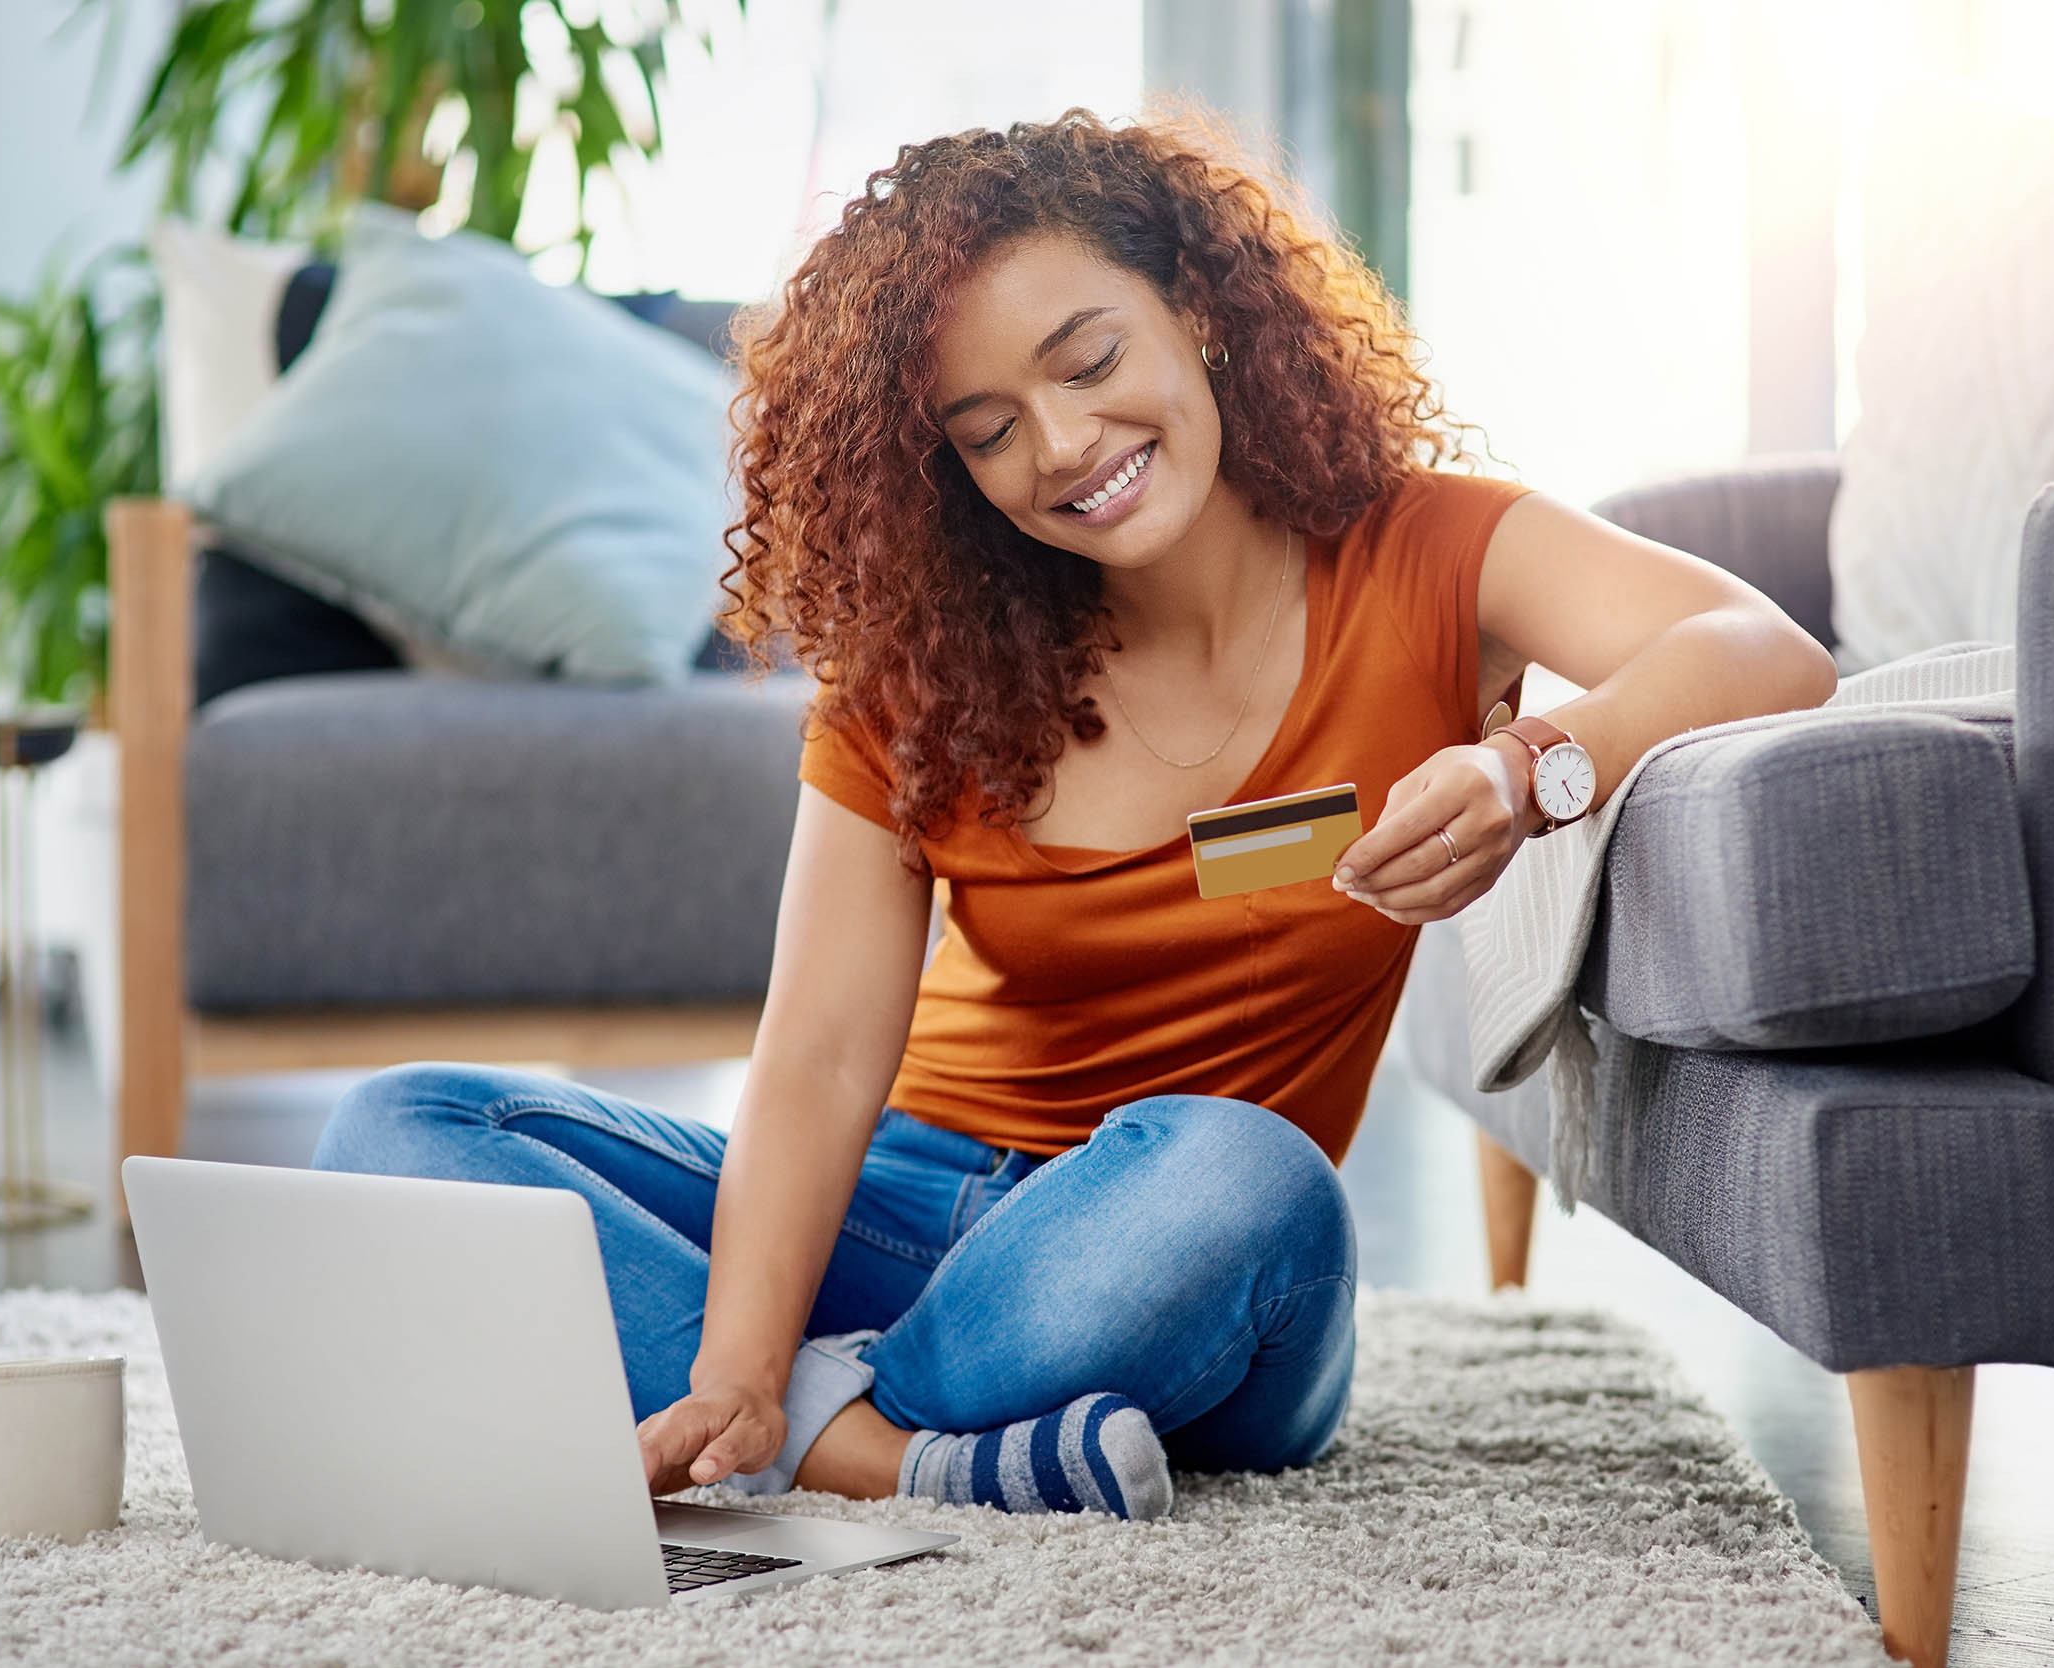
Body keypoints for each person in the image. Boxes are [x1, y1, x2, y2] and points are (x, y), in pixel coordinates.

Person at [309, 110, 1836, 1522]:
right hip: (909, 1211)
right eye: (986, 428)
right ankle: (895, 1451)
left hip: (1176, 1246)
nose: (1060, 446)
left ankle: (855, 1430)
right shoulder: (925, 668)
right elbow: (825, 1053)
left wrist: (1530, 768)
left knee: (1248, 1171)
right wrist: (739, 1364)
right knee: (397, 1127)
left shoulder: (1426, 555)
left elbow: (1765, 651)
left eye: (1090, 357)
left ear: (1204, 317)